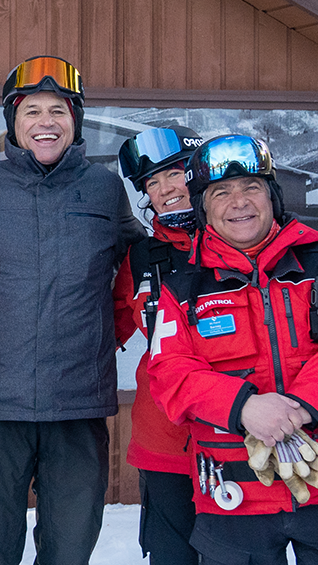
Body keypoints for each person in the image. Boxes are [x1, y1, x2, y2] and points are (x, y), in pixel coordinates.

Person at [146, 134, 318, 564]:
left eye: (252, 188)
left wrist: (300, 406)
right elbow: (170, 372)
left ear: (273, 197)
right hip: (234, 494)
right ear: (204, 210)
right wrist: (245, 409)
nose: (239, 202)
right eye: (221, 193)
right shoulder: (182, 289)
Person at [0, 55, 142, 565]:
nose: (45, 123)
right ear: (13, 123)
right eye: (32, 111)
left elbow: (138, 268)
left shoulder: (105, 189)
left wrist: (108, 337)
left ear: (75, 120)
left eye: (58, 110)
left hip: (77, 403)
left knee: (70, 549)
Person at [115, 126, 205, 565]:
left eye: (175, 173)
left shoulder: (249, 241)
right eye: (152, 181)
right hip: (166, 442)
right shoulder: (142, 258)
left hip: (246, 439)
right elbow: (105, 328)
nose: (166, 188)